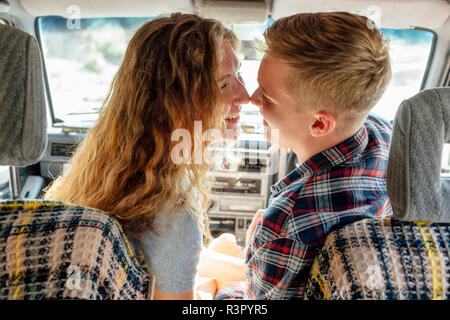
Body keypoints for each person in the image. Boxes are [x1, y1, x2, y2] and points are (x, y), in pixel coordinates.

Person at [43, 13, 250, 300]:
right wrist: (231, 294)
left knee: (224, 245)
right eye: (225, 84)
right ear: (177, 101)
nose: (246, 95)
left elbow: (165, 258)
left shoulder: (103, 170)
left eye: (240, 75)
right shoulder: (172, 214)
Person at [213, 11, 393, 300]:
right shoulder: (385, 134)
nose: (252, 97)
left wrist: (251, 251)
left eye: (268, 97)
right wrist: (290, 133)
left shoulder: (287, 224)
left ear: (319, 124)